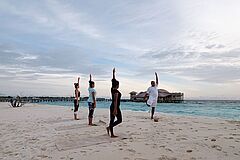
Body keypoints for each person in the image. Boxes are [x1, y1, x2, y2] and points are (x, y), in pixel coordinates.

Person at [106, 68, 122, 138]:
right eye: (118, 84)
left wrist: (113, 74)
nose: (119, 85)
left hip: (112, 106)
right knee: (119, 120)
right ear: (117, 85)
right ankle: (110, 128)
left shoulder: (112, 89)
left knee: (112, 119)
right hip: (115, 107)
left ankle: (111, 132)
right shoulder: (116, 92)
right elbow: (115, 101)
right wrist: (115, 110)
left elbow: (113, 81)